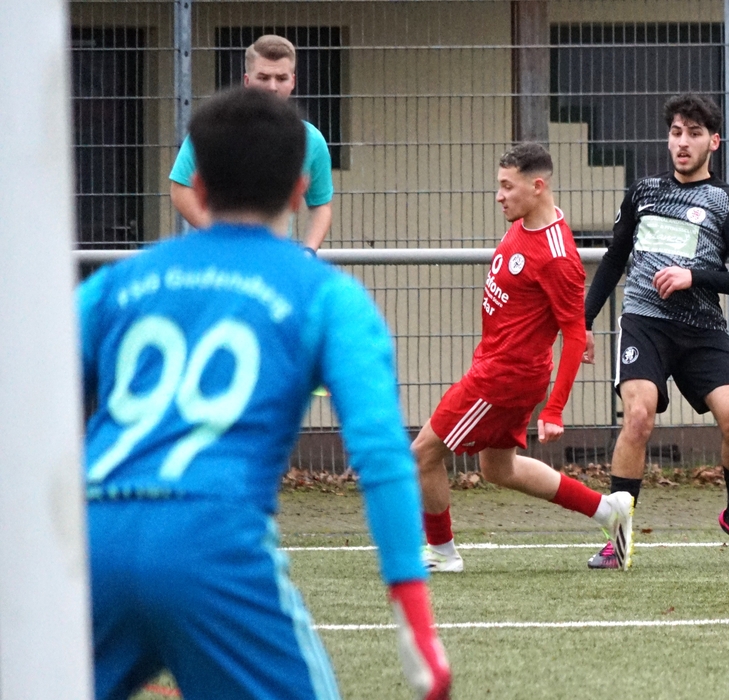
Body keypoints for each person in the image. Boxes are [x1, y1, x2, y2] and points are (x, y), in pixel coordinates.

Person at [78, 87, 450, 700]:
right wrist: (413, 612)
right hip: (213, 543)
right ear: (301, 188)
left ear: (198, 186)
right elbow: (381, 453)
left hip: (89, 539)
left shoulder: (115, 284)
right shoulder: (328, 296)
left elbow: (26, 403)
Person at [412, 143, 635, 573]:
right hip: (499, 366)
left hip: (503, 377)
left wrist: (554, 409)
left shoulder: (557, 256)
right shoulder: (523, 223)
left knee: (423, 454)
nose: (499, 196)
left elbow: (574, 335)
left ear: (537, 186)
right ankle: (608, 511)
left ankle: (441, 552)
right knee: (499, 469)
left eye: (506, 186)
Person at [582, 93, 729, 569]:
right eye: (676, 133)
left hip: (702, 329)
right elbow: (614, 259)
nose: (683, 143)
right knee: (639, 417)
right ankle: (618, 541)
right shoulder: (643, 193)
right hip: (645, 323)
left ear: (714, 142)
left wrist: (693, 276)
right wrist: (584, 320)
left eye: (694, 134)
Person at [169, 34, 334, 251]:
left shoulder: (310, 139)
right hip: (217, 255)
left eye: (281, 78)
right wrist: (227, 236)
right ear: (247, 81)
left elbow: (322, 205)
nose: (272, 87)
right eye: (263, 77)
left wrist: (308, 251)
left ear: (293, 81)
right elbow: (180, 188)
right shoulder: (213, 128)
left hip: (273, 259)